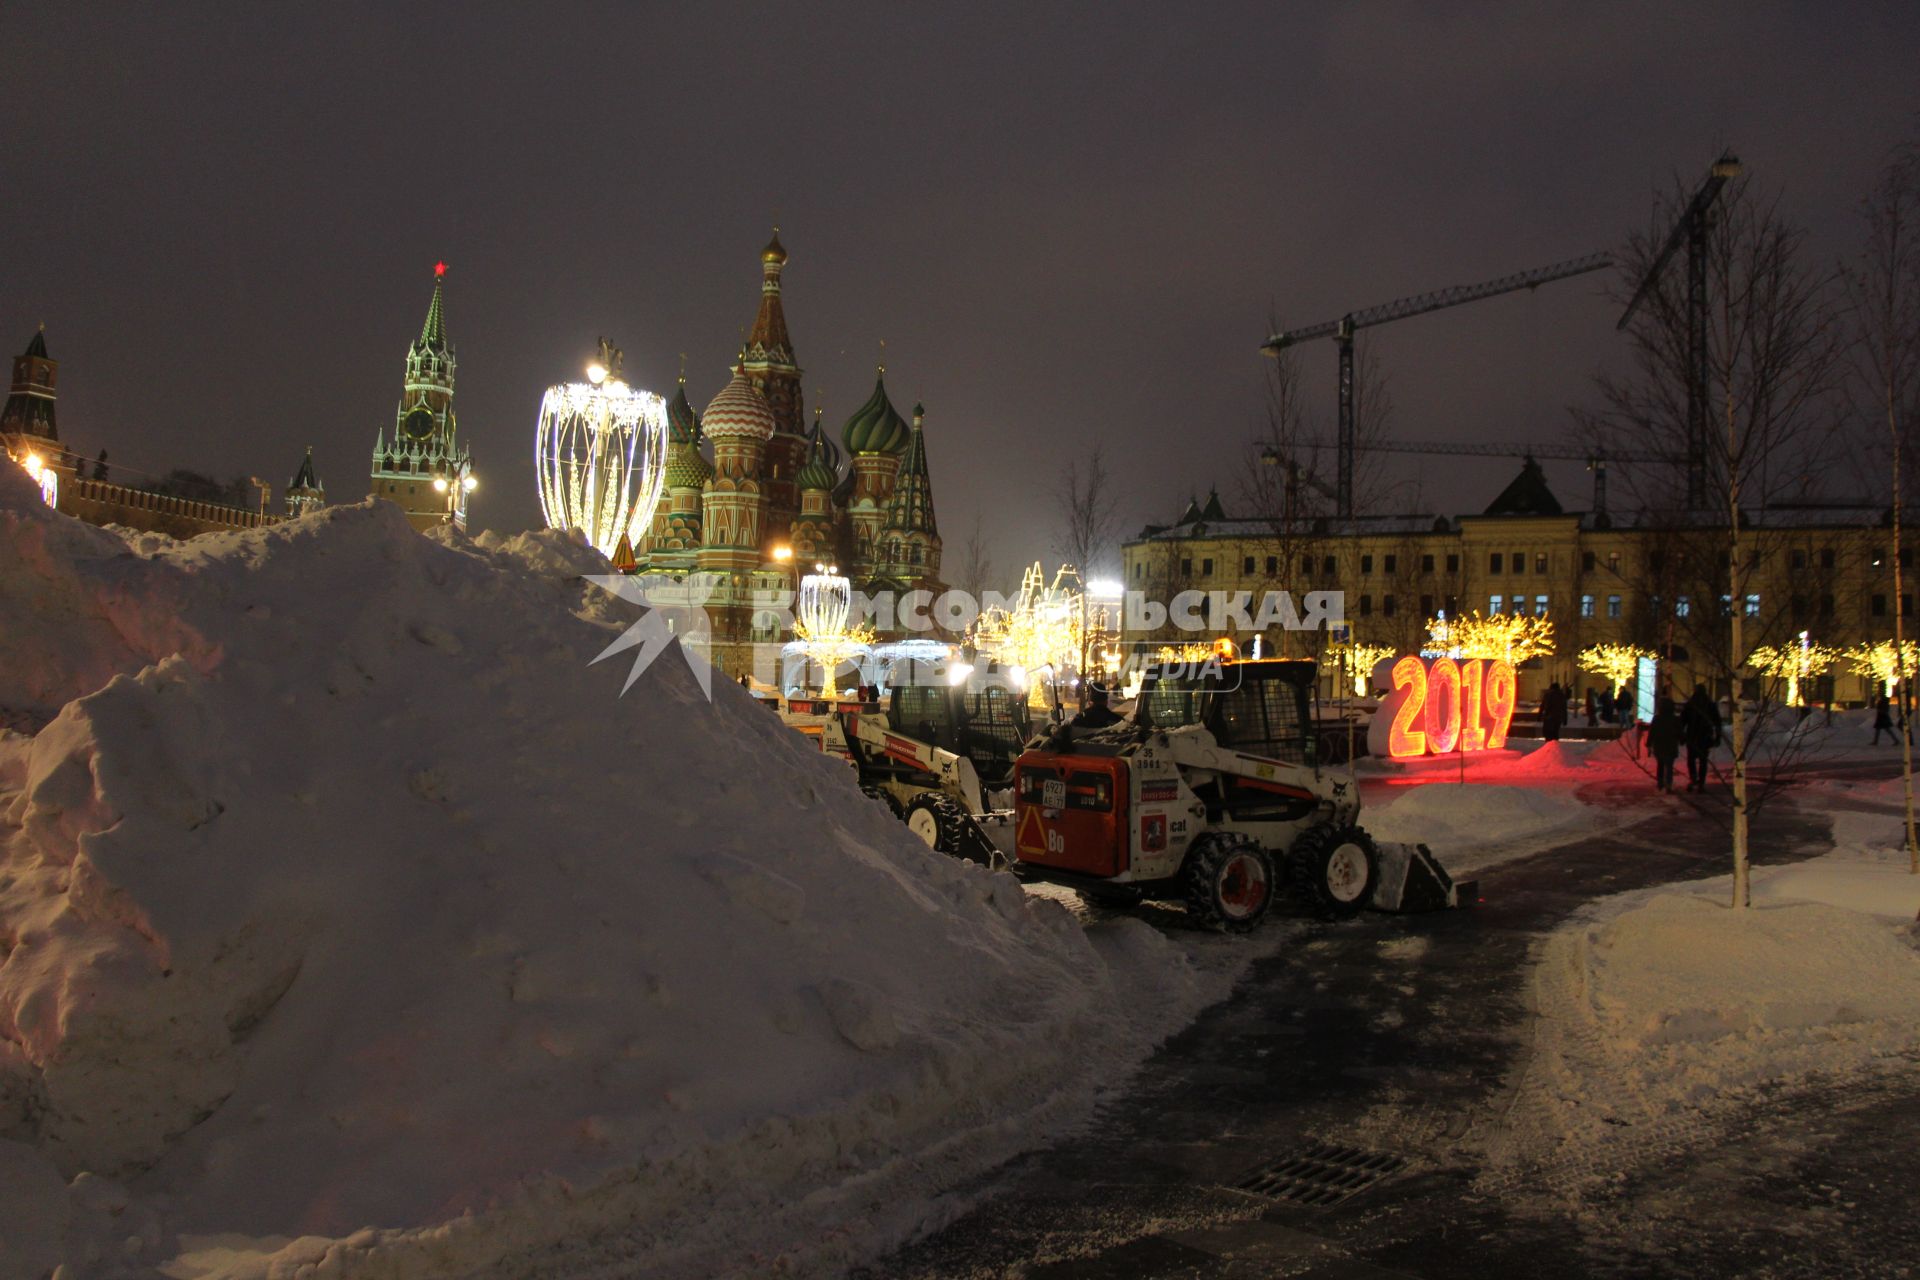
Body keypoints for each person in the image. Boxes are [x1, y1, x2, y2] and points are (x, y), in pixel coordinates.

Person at [1681, 683, 1722, 792]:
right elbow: (1717, 722)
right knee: (1703, 761)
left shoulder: (1690, 704)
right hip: (1705, 736)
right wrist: (1717, 737)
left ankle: (1693, 778)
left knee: (1691, 759)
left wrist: (1681, 736)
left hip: (1692, 736)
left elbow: (1682, 721)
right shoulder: (1710, 704)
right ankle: (1701, 783)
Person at [1646, 697, 1682, 792]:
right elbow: (1680, 732)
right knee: (1669, 765)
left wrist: (1649, 743)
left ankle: (1660, 782)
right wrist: (1682, 740)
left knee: (1660, 765)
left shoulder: (1657, 718)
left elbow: (1652, 732)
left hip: (1659, 745)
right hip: (1671, 745)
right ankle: (1668, 784)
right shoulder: (1675, 719)